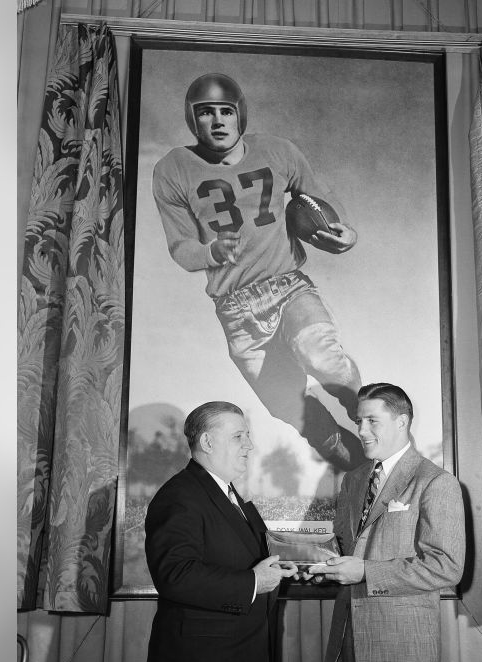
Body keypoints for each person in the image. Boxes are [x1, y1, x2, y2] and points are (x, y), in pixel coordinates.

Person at [152, 72, 365, 471]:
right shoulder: (173, 168)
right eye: (206, 113)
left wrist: (347, 231)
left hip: (287, 287)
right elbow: (181, 248)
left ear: (240, 115)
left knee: (322, 356)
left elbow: (316, 192)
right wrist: (210, 250)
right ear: (191, 119)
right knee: (288, 407)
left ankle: (375, 422)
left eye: (225, 112)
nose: (217, 121)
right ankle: (354, 462)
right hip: (235, 308)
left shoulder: (277, 151)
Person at [307, 383, 466, 662]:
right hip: (345, 647)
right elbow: (341, 543)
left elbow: (446, 566)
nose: (361, 430)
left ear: (402, 421)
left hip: (400, 654)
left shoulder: (436, 482)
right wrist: (311, 557)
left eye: (371, 421)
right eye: (358, 421)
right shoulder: (354, 479)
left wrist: (365, 571)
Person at [143, 401, 298, 662]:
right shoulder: (180, 495)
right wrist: (254, 582)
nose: (250, 445)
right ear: (207, 442)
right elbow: (175, 575)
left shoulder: (227, 494)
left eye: (248, 436)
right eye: (239, 436)